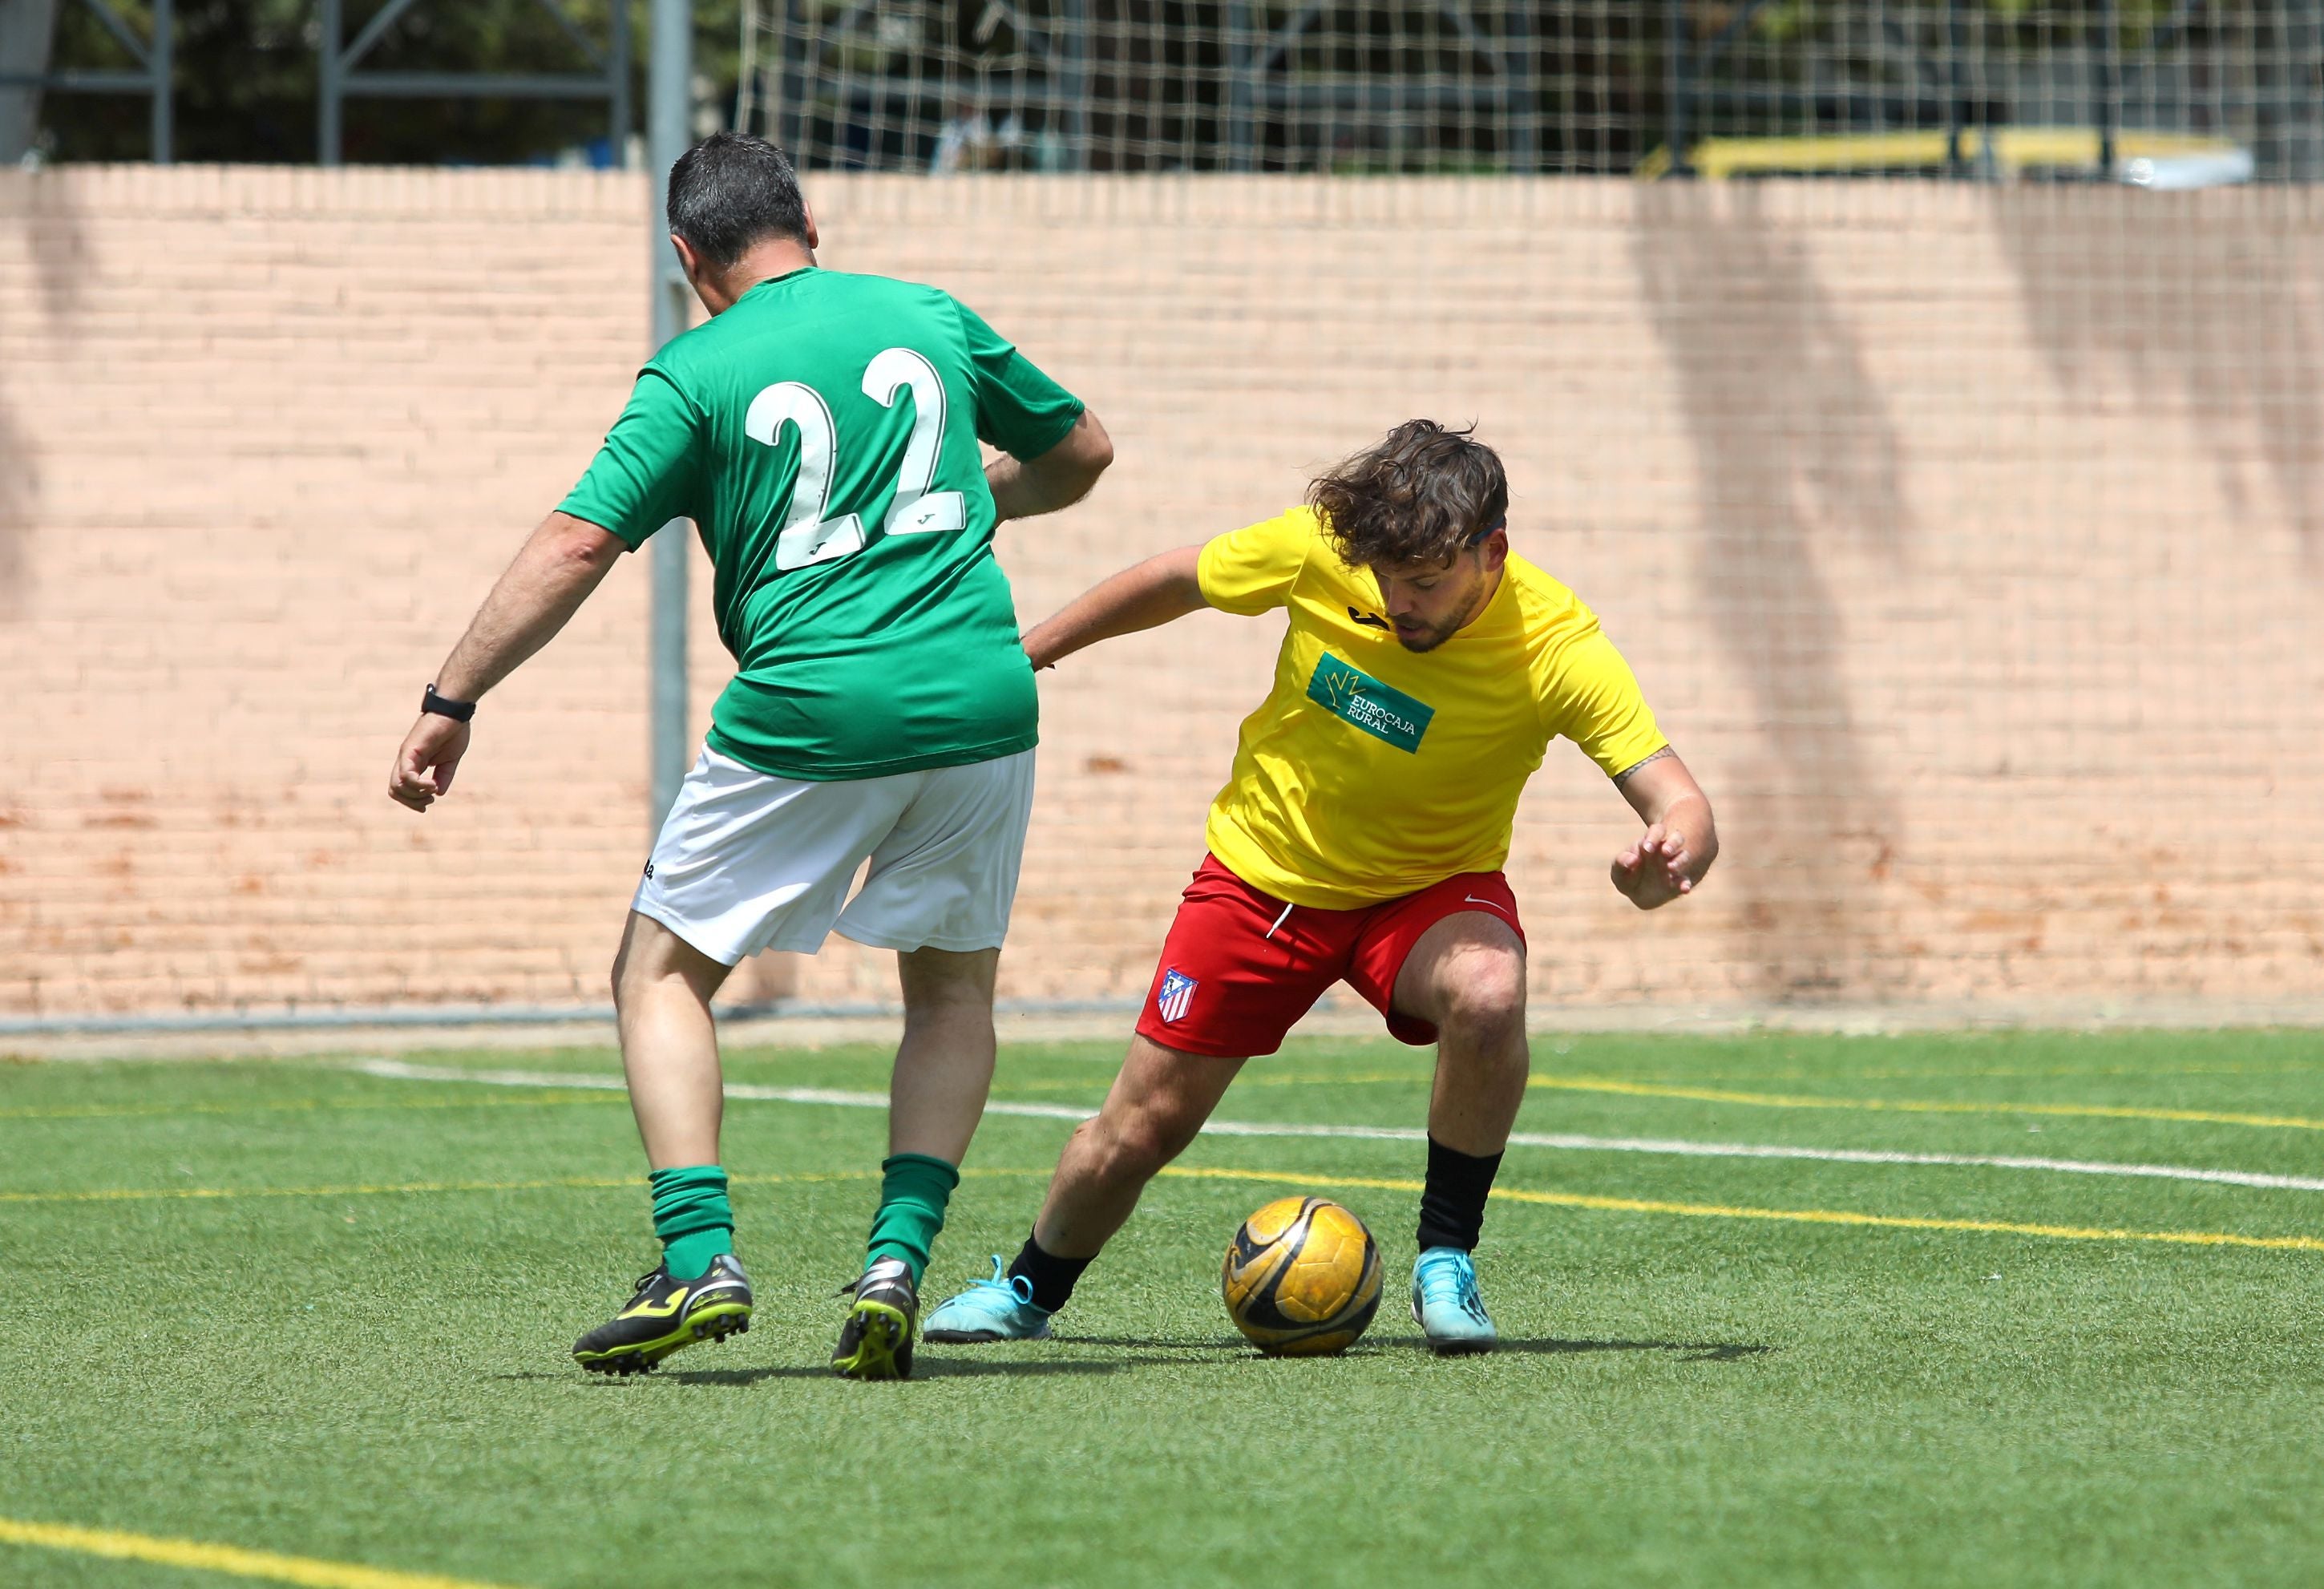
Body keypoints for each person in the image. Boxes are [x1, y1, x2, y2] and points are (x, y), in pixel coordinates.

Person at [386, 132, 1113, 1381]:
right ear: (809, 224)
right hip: (983, 698)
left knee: (658, 970)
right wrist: (958, 500)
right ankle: (896, 1262)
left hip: (814, 705)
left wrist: (453, 693)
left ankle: (696, 1253)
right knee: (949, 993)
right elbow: (1082, 450)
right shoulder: (925, 314)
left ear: (686, 257)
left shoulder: (692, 373)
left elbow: (572, 547)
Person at [921, 419, 1712, 1355]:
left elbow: (1679, 799)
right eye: (1383, 579)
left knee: (1489, 991)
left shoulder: (1556, 645)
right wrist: (1030, 651)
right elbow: (1178, 577)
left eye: (1422, 583)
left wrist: (1666, 867)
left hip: (1425, 893)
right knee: (1138, 1128)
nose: (1397, 602)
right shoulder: (1320, 551)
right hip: (1262, 882)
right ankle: (1026, 1285)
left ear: (1490, 551)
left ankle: (1446, 1258)